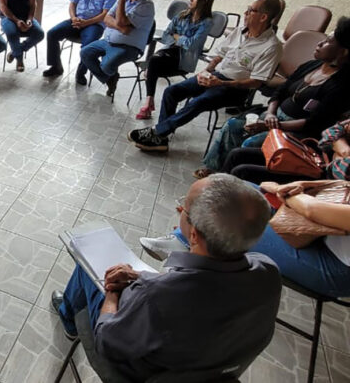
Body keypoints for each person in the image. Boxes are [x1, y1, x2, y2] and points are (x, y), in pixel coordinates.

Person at [52, 174, 281, 380]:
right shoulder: (268, 272)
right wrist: (138, 276)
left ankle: (69, 319)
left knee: (89, 267)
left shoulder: (156, 297)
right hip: (215, 370)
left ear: (193, 234)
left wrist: (112, 292)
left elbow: (106, 339)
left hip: (141, 375)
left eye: (184, 208)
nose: (180, 210)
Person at [141, 177, 350, 298]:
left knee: (234, 221)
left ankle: (183, 247)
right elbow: (341, 182)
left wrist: (281, 190)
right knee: (236, 188)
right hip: (322, 234)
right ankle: (182, 241)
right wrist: (303, 185)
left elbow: (311, 210)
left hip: (334, 268)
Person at [128, 0, 283, 152]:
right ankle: (161, 137)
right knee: (172, 91)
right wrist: (206, 71)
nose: (245, 12)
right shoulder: (240, 32)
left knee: (198, 102)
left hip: (235, 89)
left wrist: (221, 83)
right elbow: (219, 56)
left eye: (251, 10)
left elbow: (256, 82)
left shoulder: (271, 46)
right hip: (216, 76)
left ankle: (157, 132)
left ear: (263, 17)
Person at [196, 20, 350, 178]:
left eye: (328, 41)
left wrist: (273, 126)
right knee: (232, 126)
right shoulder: (312, 65)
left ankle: (226, 178)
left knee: (250, 143)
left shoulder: (341, 86)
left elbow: (314, 124)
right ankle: (213, 168)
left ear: (343, 52)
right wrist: (270, 114)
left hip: (296, 131)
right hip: (273, 116)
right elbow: (280, 91)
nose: (320, 43)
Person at [136, 0, 216, 119]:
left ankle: (148, 103)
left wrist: (177, 37)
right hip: (169, 53)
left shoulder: (206, 23)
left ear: (205, 0)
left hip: (183, 61)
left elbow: (192, 45)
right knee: (154, 61)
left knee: (152, 65)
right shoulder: (182, 15)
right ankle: (149, 101)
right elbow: (166, 35)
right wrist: (181, 39)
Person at [43, 0, 117, 83]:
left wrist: (86, 23)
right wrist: (73, 18)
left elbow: (105, 15)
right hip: (77, 20)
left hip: (94, 24)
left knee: (88, 45)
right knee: (52, 33)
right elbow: (72, 3)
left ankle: (80, 73)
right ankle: (56, 66)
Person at [79, 0, 155, 93]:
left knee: (106, 66)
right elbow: (107, 18)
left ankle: (109, 75)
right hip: (108, 40)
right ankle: (110, 78)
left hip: (129, 47)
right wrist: (122, 28)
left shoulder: (146, 6)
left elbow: (119, 20)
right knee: (85, 53)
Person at [222, 117, 350, 184]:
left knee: (242, 171)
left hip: (321, 178)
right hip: (313, 156)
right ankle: (211, 192)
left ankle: (222, 211)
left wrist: (337, 146)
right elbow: (330, 132)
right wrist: (343, 149)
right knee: (237, 154)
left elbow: (339, 172)